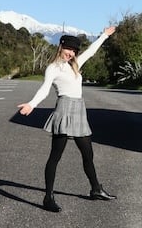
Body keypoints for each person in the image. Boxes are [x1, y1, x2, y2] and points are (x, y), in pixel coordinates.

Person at [17, 27, 117, 212]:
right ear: (60, 47)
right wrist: (32, 104)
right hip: (64, 110)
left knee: (88, 154)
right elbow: (45, 89)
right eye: (68, 49)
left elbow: (92, 51)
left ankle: (96, 189)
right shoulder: (53, 68)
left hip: (79, 109)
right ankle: (48, 198)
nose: (70, 53)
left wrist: (104, 35)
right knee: (55, 157)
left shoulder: (75, 64)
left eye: (74, 51)